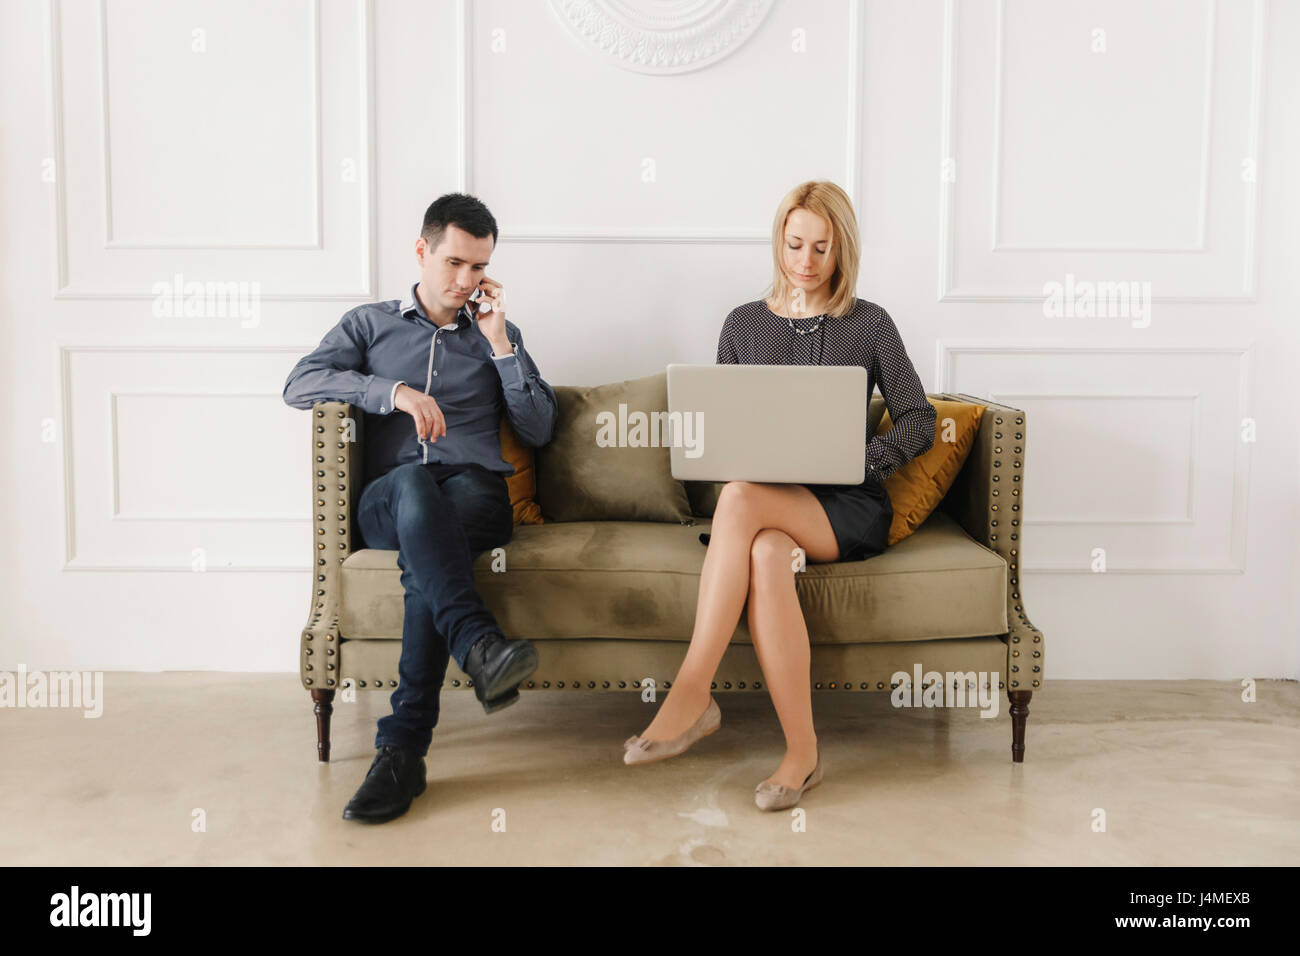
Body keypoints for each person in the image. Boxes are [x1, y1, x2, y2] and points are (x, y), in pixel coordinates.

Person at [622, 181, 937, 811]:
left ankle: (692, 693)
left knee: (739, 500)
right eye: (795, 244)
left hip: (844, 506)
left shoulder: (870, 323)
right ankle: (803, 754)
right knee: (763, 550)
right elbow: (725, 430)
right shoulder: (742, 324)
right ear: (779, 241)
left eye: (823, 247)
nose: (807, 261)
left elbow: (919, 420)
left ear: (842, 249)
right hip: (768, 502)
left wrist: (860, 460)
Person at [283, 193, 558, 823]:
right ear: (421, 250)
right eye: (455, 263)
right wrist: (393, 392)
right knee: (412, 489)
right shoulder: (369, 325)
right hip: (390, 497)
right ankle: (476, 648)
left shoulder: (498, 334)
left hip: (474, 494)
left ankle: (403, 755)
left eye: (479, 269)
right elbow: (299, 383)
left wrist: (501, 347)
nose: (466, 281)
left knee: (426, 551)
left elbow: (540, 428)